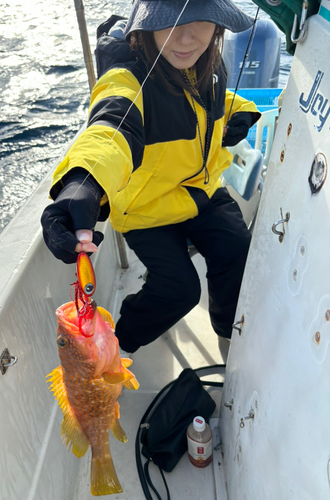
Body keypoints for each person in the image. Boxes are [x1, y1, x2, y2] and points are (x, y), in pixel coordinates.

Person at [41, 0, 261, 354]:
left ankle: (227, 331)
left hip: (201, 193)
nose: (187, 37)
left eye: (201, 20)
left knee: (237, 248)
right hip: (147, 210)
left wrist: (243, 113)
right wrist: (83, 181)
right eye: (170, 21)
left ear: (217, 24)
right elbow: (112, 128)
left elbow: (208, 101)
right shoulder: (128, 77)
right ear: (146, 25)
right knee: (180, 289)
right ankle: (118, 347)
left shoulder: (208, 62)